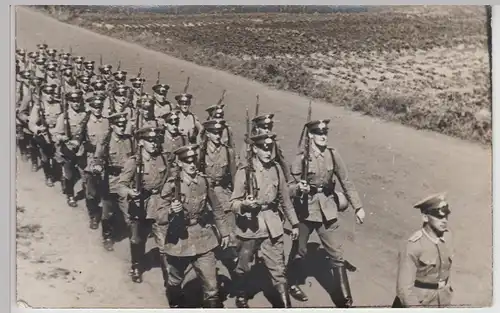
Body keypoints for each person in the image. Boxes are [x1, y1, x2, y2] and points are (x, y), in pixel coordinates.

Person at [286, 119, 365, 308]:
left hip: (327, 210)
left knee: (336, 253)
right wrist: (299, 188)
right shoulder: (301, 159)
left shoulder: (332, 155)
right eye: (318, 133)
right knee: (300, 251)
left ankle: (345, 300)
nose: (323, 136)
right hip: (305, 211)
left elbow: (346, 181)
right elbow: (288, 188)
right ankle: (291, 282)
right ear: (311, 135)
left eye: (325, 133)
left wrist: (358, 207)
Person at [230, 132, 299, 308]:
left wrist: (294, 223)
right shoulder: (244, 172)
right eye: (263, 148)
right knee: (243, 265)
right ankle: (241, 294)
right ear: (254, 149)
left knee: (278, 268)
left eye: (270, 148)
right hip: (250, 225)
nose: (268, 152)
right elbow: (233, 202)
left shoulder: (276, 169)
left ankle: (285, 307)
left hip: (272, 224)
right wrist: (244, 205)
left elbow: (285, 200)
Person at [160, 144, 230, 308]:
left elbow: (217, 208)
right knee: (175, 279)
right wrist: (170, 211)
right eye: (186, 161)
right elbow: (159, 214)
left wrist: (224, 232)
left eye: (194, 161)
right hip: (179, 239)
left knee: (212, 286)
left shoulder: (203, 181)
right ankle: (175, 303)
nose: (191, 164)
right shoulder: (172, 185)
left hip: (203, 237)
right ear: (180, 163)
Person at [117, 126, 171, 283]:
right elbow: (121, 184)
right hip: (139, 205)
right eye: (150, 141)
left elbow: (169, 177)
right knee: (137, 239)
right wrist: (129, 192)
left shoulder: (163, 158)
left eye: (155, 141)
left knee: (163, 238)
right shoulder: (133, 162)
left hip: (159, 204)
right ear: (141, 142)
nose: (154, 144)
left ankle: (168, 273)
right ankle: (136, 266)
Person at [392, 193, 454, 308]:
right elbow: (405, 291)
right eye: (439, 216)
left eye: (446, 216)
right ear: (425, 217)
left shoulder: (447, 237)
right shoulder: (413, 246)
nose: (444, 220)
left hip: (443, 301)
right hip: (420, 303)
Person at [197, 119, 238, 279]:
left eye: (219, 132)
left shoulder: (228, 152)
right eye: (214, 132)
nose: (217, 135)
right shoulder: (200, 151)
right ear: (207, 133)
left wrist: (236, 197)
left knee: (228, 227)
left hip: (221, 192)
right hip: (204, 192)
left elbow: (234, 176)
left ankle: (231, 262)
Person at [91, 111, 135, 251]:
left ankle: (134, 239)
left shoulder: (130, 140)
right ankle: (107, 236)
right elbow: (97, 157)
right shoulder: (105, 140)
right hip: (110, 181)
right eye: (119, 125)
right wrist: (98, 166)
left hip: (126, 181)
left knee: (129, 212)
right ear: (112, 126)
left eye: (123, 125)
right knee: (108, 213)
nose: (122, 127)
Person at [53, 90, 91, 207]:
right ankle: (70, 196)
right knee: (69, 175)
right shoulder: (64, 117)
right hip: (68, 150)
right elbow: (56, 134)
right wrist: (61, 137)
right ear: (69, 102)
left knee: (84, 174)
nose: (76, 103)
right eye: (73, 101)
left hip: (81, 149)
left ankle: (88, 195)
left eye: (78, 100)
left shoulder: (85, 115)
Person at [81, 95, 110, 229]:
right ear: (90, 107)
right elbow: (77, 142)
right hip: (89, 161)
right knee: (91, 193)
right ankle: (93, 215)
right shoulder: (85, 123)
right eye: (95, 107)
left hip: (105, 160)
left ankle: (106, 217)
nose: (97, 109)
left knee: (105, 192)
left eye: (99, 107)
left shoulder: (107, 122)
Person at [28, 84, 63, 187]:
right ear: (43, 94)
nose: (50, 95)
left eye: (51, 93)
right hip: (43, 134)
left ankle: (58, 174)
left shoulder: (59, 104)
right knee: (45, 158)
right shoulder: (39, 106)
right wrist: (37, 129)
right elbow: (32, 123)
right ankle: (48, 176)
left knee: (58, 156)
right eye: (47, 93)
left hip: (56, 133)